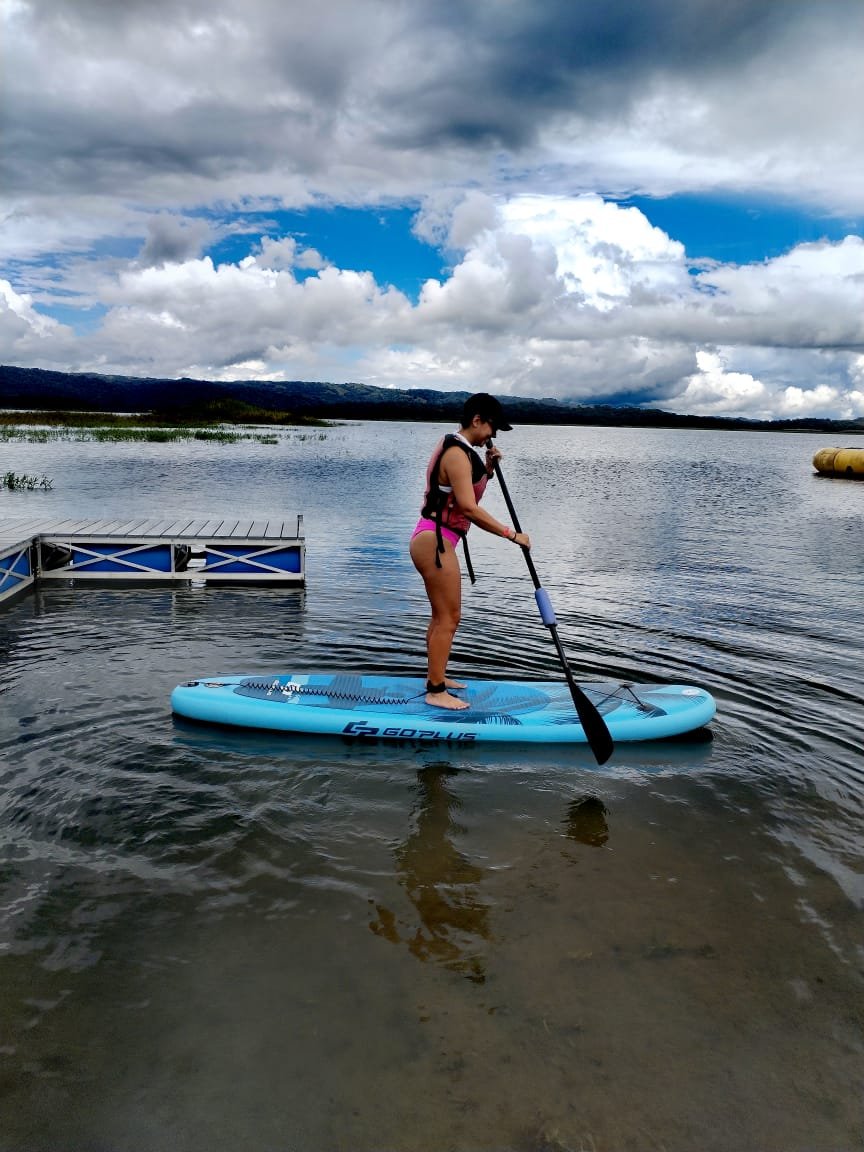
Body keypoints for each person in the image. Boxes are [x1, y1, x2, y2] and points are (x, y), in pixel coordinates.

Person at [410, 392, 531, 710]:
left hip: (435, 540)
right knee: (449, 617)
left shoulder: (459, 450)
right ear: (477, 420)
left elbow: (466, 498)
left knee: (441, 616)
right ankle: (436, 691)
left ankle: (435, 677)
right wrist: (511, 535)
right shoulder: (456, 454)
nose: (493, 436)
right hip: (434, 542)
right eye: (493, 428)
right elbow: (468, 509)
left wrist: (488, 470)